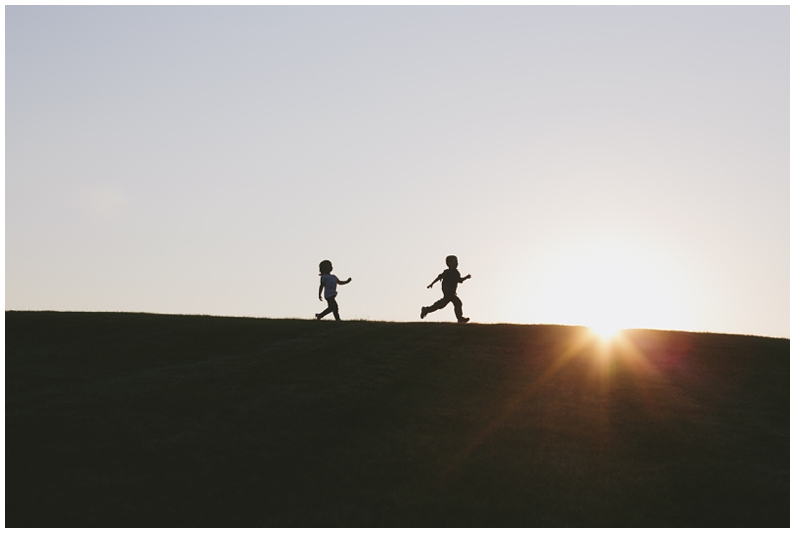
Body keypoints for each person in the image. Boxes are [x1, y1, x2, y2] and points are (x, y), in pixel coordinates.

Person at [421, 255, 471, 323]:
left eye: (457, 262)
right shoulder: (447, 272)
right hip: (448, 292)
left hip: (451, 292)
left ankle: (426, 310)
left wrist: (466, 278)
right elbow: (439, 277)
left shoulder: (456, 273)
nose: (457, 263)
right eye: (455, 261)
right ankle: (460, 318)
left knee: (442, 304)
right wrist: (432, 284)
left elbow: (459, 280)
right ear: (449, 263)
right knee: (457, 303)